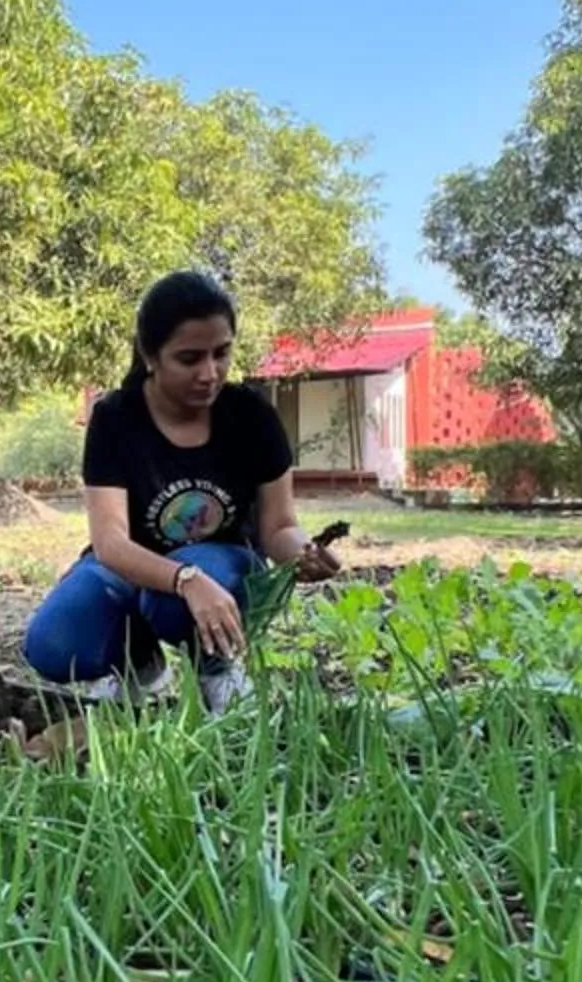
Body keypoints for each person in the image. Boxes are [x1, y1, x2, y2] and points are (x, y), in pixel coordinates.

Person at [23, 269, 343, 711]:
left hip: (225, 565)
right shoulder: (115, 419)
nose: (210, 373)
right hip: (135, 568)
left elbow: (279, 527)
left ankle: (218, 668)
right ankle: (141, 663)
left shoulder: (252, 417)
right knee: (55, 644)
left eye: (222, 353)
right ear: (150, 355)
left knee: (184, 587)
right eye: (190, 359)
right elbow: (110, 542)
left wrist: (302, 554)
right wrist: (184, 579)